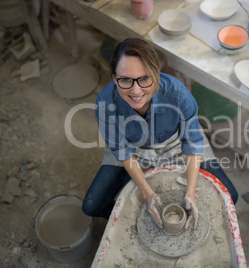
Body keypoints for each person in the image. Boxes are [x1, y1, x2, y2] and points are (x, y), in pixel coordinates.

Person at [82, 38, 238, 228]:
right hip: (133, 147)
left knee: (230, 195)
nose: (136, 91)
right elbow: (122, 152)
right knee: (91, 206)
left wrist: (190, 193)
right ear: (114, 78)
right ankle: (133, 222)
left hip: (177, 143)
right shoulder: (105, 104)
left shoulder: (177, 94)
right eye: (125, 80)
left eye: (144, 79)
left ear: (156, 74)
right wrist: (147, 193)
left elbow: (192, 143)